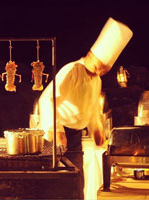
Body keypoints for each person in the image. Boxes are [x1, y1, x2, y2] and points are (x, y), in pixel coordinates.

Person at [38, 17, 133, 199]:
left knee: (75, 182)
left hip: (74, 138)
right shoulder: (72, 70)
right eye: (101, 65)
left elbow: (91, 111)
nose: (103, 70)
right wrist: (56, 130)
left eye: (106, 68)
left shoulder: (96, 80)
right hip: (54, 137)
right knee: (54, 184)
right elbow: (46, 99)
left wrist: (97, 131)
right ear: (91, 56)